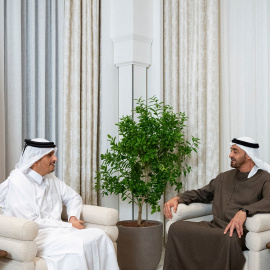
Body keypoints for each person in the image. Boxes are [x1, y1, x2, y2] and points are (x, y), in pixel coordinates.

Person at [0, 138, 119, 270]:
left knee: (100, 236)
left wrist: (72, 217)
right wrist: (67, 225)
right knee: (78, 244)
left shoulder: (50, 178)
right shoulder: (18, 183)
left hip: (58, 231)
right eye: (49, 155)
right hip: (37, 236)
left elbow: (73, 197)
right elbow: (31, 222)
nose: (55, 158)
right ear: (35, 161)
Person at [163, 137, 270, 270]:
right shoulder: (224, 177)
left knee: (228, 239)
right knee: (176, 228)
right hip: (215, 225)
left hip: (237, 232)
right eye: (231, 151)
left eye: (235, 151)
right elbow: (202, 193)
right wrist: (178, 198)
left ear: (248, 155)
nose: (230, 155)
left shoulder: (264, 178)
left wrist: (245, 211)